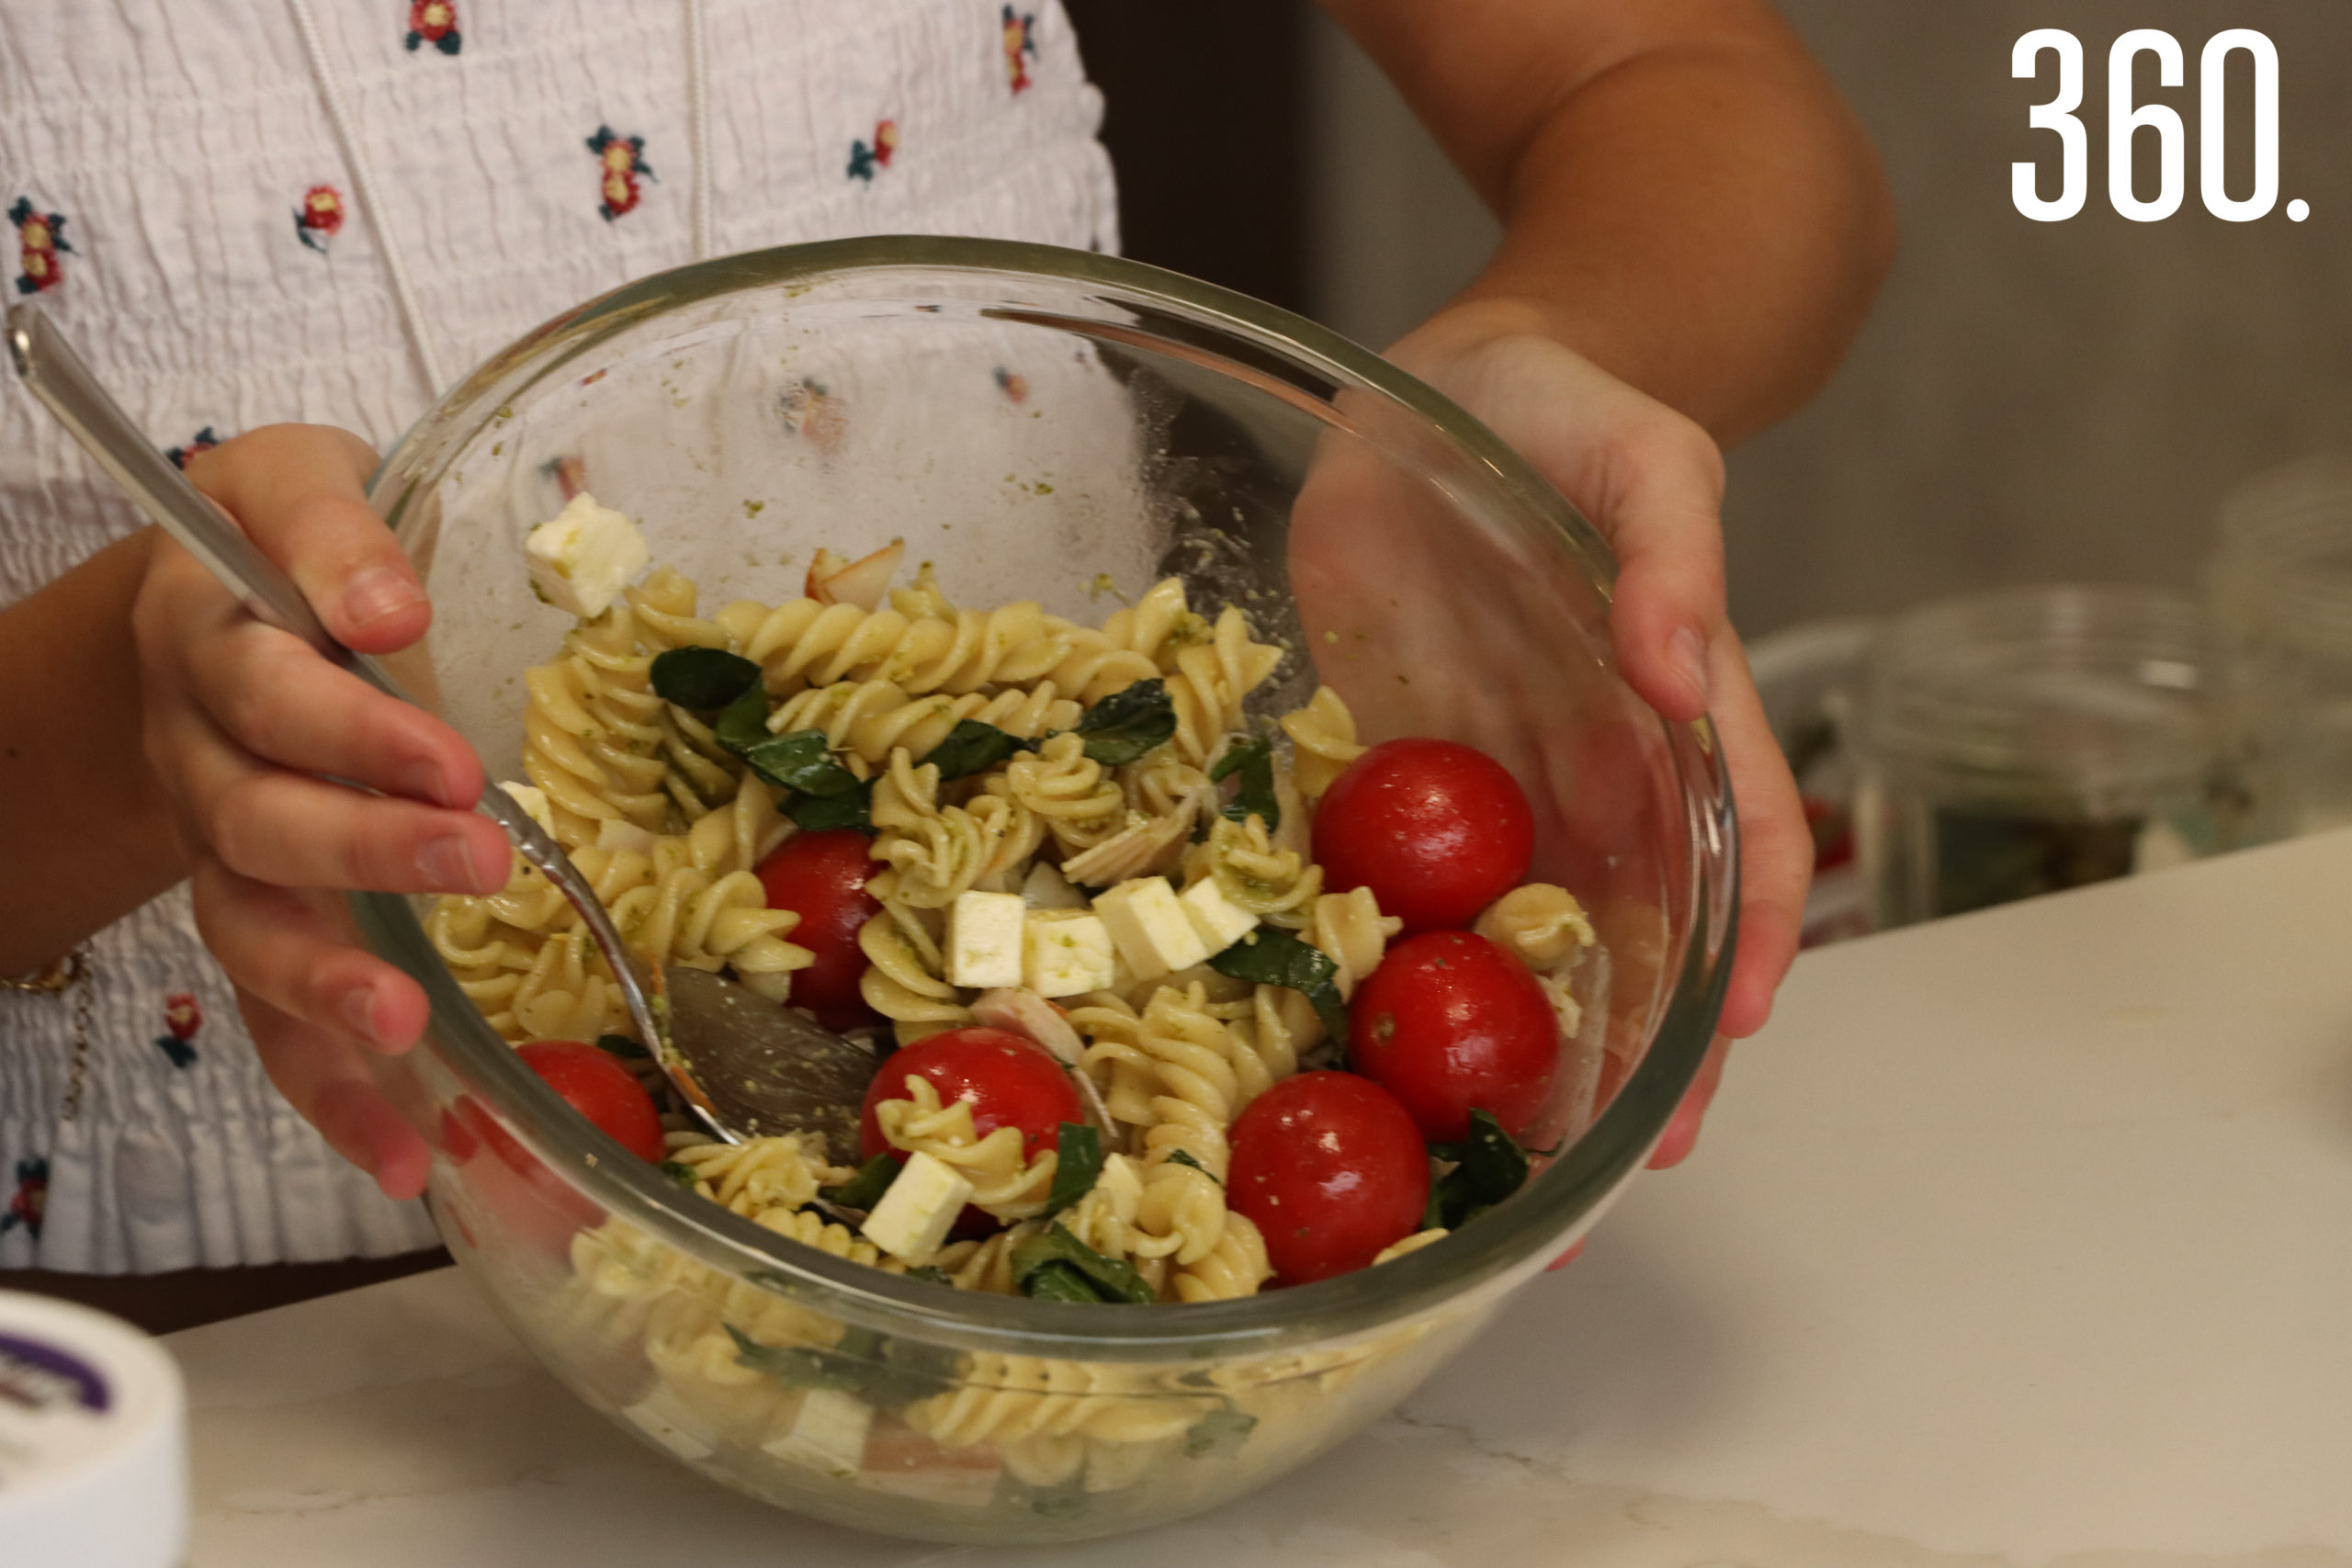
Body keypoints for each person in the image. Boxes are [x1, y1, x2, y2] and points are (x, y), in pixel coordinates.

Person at [0, 0, 1890, 1280]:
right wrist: (116, 718)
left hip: (1109, 1261)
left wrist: (1504, 390)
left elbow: (1695, 94)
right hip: (178, 1383)